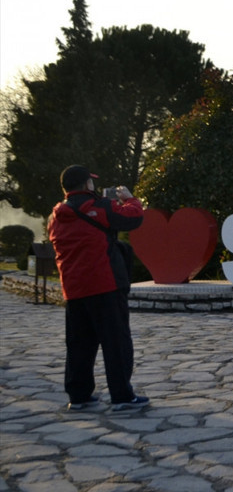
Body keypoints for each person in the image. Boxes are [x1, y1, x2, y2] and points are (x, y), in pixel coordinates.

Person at [48, 165, 149, 411]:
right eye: (91, 182)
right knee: (116, 342)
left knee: (79, 345)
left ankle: (79, 395)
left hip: (73, 289)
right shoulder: (99, 207)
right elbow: (133, 218)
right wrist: (129, 198)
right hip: (105, 285)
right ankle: (122, 396)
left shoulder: (55, 217)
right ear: (86, 185)